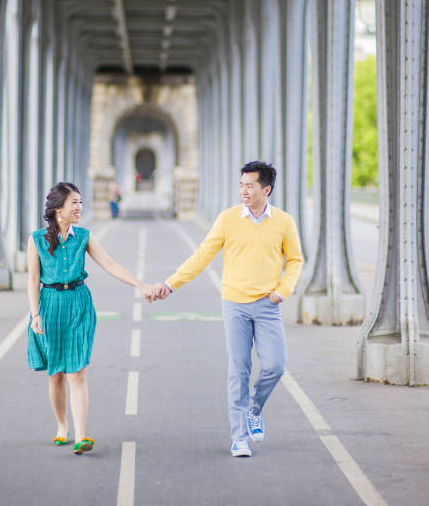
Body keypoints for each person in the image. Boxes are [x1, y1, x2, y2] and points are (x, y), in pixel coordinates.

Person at [153, 161, 304, 458]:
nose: (243, 191)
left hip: (267, 304)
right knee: (239, 370)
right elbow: (201, 256)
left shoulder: (284, 222)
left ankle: (254, 410)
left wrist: (282, 291)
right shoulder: (228, 219)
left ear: (266, 189)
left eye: (250, 186)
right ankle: (239, 437)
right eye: (241, 185)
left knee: (275, 365)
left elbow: (296, 260)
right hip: (234, 304)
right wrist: (171, 285)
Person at [27, 181, 157, 454]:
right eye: (73, 202)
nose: (79, 207)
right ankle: (62, 426)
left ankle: (82, 436)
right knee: (56, 375)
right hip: (49, 305)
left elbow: (110, 265)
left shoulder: (84, 236)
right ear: (57, 210)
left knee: (77, 372)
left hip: (78, 304)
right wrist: (35, 313)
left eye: (80, 202)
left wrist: (141, 286)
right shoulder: (36, 239)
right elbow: (33, 278)